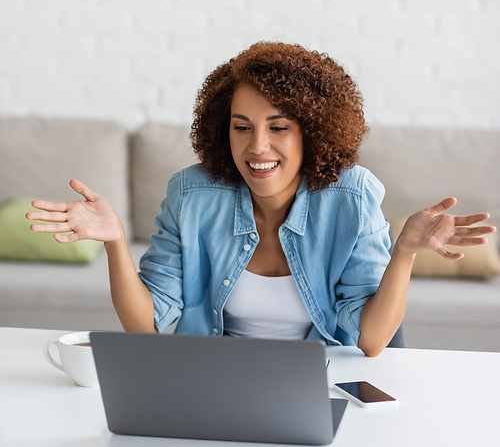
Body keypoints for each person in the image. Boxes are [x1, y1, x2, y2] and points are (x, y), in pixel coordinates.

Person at [26, 42, 496, 356]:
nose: (257, 147)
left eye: (278, 127)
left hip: (323, 379)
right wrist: (114, 242)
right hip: (216, 378)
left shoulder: (351, 197)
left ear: (311, 132)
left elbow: (372, 343)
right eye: (242, 126)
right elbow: (144, 326)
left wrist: (404, 255)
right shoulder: (191, 195)